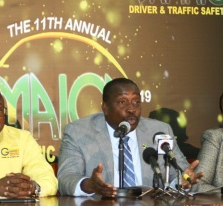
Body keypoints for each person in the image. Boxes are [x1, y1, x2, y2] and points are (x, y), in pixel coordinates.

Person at [57, 78, 203, 197]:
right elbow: (66, 178)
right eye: (122, 102)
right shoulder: (78, 131)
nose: (132, 109)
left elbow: (179, 176)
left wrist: (183, 180)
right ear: (105, 108)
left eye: (136, 102)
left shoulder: (159, 130)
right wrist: (89, 185)